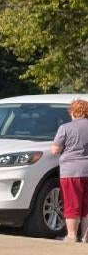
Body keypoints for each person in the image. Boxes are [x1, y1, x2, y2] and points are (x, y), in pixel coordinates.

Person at [53, 98, 88, 243]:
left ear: (73, 112)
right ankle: (86, 236)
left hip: (71, 171)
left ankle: (72, 235)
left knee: (72, 203)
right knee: (87, 205)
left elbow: (55, 150)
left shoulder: (65, 128)